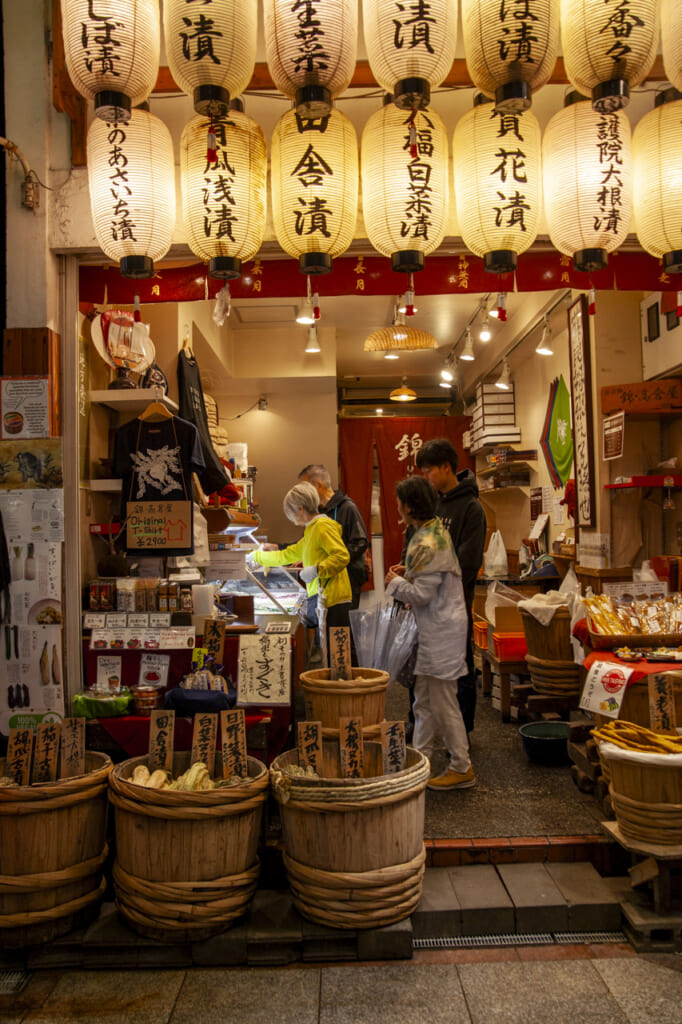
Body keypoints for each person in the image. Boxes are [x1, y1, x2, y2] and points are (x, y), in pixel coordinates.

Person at [385, 475, 474, 790]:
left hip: (441, 631)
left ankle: (461, 766)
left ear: (409, 507)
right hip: (438, 627)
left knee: (443, 702)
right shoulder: (431, 530)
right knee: (423, 701)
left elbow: (421, 595)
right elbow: (427, 580)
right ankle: (421, 762)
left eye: (399, 502)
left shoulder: (426, 541)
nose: (397, 506)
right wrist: (408, 573)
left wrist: (396, 583)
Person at [415, 438, 487, 734]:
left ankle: (461, 731)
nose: (426, 477)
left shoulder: (471, 508)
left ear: (446, 467)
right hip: (426, 602)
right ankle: (424, 725)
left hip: (454, 603)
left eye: (428, 471)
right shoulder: (432, 505)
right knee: (425, 666)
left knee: (459, 666)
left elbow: (468, 563)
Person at [249, 482, 352, 651]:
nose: (290, 517)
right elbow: (288, 554)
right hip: (323, 598)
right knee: (327, 653)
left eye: (289, 512)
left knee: (336, 654)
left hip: (334, 600)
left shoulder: (322, 526)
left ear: (300, 509)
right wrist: (256, 556)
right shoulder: (311, 530)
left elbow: (342, 556)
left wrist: (317, 570)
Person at [297, 464, 369, 609]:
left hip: (346, 583)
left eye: (305, 488)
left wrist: (332, 561)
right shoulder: (319, 511)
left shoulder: (347, 507)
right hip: (325, 583)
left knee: (341, 623)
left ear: (318, 485)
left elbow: (360, 542)